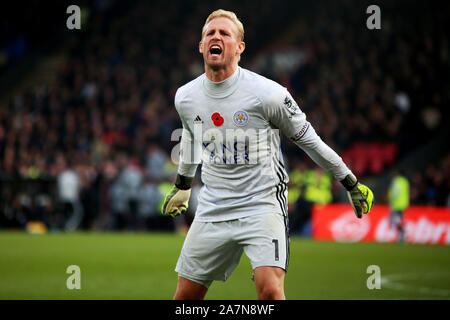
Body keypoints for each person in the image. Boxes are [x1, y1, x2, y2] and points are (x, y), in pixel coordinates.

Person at [162, 9, 374, 300]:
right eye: (210, 33)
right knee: (185, 299)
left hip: (261, 205)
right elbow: (191, 136)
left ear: (240, 48)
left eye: (225, 33)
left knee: (270, 292)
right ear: (201, 46)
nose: (216, 37)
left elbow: (310, 141)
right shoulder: (185, 96)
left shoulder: (268, 94)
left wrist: (349, 181)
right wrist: (184, 185)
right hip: (214, 206)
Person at [388, 170, 410, 242]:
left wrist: (391, 198)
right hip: (404, 204)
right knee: (399, 220)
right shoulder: (405, 181)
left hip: (397, 204)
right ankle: (402, 236)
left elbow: (395, 192)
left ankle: (402, 236)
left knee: (396, 220)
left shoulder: (397, 181)